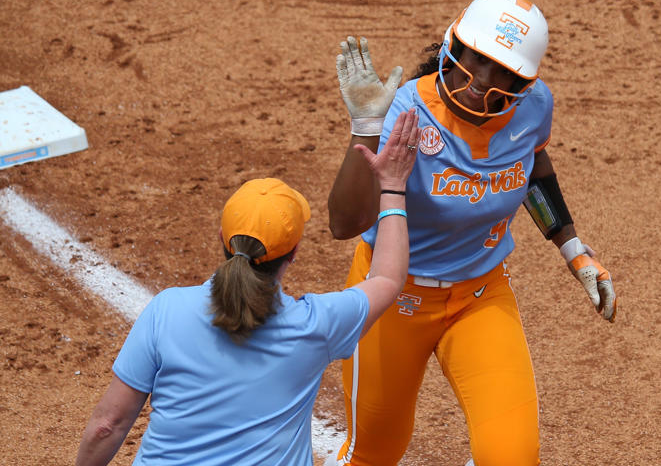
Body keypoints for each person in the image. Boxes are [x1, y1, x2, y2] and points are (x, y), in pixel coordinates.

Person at [326, 0, 617, 466]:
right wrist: (366, 126)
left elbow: (533, 166)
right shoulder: (404, 111)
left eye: (505, 71)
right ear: (454, 48)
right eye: (478, 59)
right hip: (391, 297)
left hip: (480, 297)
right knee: (374, 453)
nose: (484, 81)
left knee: (512, 456)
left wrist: (573, 249)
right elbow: (344, 223)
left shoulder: (532, 108)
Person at [74, 110, 421, 465]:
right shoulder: (317, 326)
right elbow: (388, 278)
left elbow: (108, 425)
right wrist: (392, 187)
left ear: (223, 239)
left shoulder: (166, 310)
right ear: (295, 253)